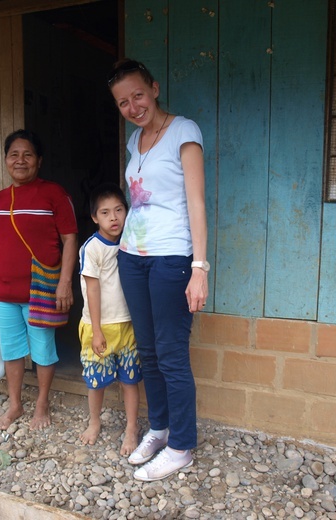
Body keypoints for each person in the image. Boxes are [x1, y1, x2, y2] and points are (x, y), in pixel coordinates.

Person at [107, 58, 209, 481]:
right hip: (133, 257)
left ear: (155, 88)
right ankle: (161, 428)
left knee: (170, 354)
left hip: (172, 258)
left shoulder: (184, 131)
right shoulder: (135, 142)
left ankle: (182, 446)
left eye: (138, 95)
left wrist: (199, 266)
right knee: (148, 352)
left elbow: (196, 202)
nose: (133, 106)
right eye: (123, 102)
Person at [0, 129, 78, 431]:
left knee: (42, 349)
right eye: (14, 154)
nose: (20, 160)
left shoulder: (53, 193)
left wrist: (65, 281)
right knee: (11, 349)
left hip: (40, 288)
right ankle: (15, 404)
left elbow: (70, 238)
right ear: (6, 160)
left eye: (27, 154)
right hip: (1, 289)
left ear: (39, 160)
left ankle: (41, 403)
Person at [78, 182, 142, 455]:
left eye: (119, 210)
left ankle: (131, 428)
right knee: (96, 381)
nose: (113, 218)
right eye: (105, 212)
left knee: (130, 380)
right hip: (99, 326)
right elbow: (92, 288)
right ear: (94, 217)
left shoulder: (131, 240)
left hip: (127, 324)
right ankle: (94, 421)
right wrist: (96, 329)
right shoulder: (92, 248)